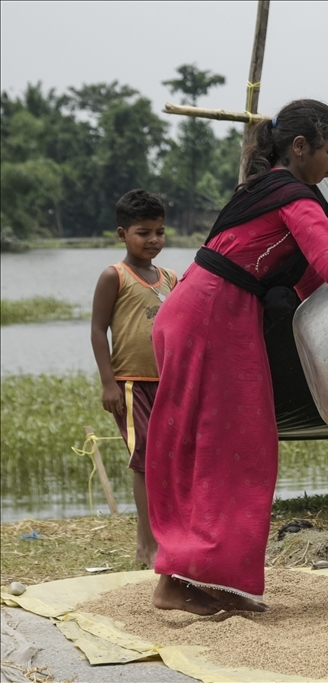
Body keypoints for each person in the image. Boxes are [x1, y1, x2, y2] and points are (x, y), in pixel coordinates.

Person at [146, 100, 328, 615]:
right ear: (299, 148)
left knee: (227, 445)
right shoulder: (292, 195)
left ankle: (203, 576)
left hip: (209, 312)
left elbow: (310, 277)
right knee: (225, 448)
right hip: (209, 316)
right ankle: (175, 581)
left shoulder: (272, 192)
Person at [90, 189, 176, 569]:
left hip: (167, 384)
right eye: (144, 232)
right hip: (129, 384)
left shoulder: (170, 277)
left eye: (159, 232)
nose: (153, 240)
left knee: (168, 460)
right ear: (122, 234)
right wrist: (108, 383)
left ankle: (164, 539)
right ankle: (147, 545)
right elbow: (97, 330)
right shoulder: (115, 276)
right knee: (144, 461)